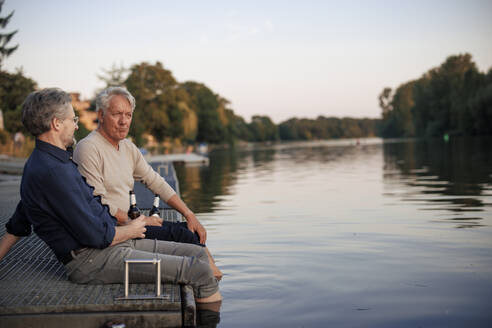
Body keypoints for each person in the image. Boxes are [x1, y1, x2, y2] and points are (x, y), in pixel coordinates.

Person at [0, 88, 221, 305]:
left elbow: (23, 213)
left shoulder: (54, 162)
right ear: (57, 124)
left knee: (197, 254)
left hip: (111, 244)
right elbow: (96, 235)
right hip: (91, 260)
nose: (77, 125)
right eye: (72, 119)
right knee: (199, 270)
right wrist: (132, 228)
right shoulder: (53, 170)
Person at [72, 87, 222, 279]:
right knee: (187, 237)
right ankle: (211, 282)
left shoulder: (127, 147)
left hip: (131, 224)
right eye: (117, 114)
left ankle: (213, 279)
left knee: (189, 229)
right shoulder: (88, 148)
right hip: (114, 232)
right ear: (100, 115)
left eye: (128, 115)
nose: (124, 121)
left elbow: (155, 181)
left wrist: (189, 213)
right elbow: (96, 203)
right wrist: (137, 221)